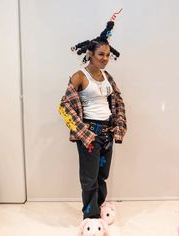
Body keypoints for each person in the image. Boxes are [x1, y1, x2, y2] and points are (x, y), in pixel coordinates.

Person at [58, 13, 127, 220]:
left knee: (102, 175)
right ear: (90, 53)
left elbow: (117, 101)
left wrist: (119, 126)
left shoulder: (107, 77)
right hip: (90, 133)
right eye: (100, 55)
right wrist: (83, 132)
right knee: (89, 179)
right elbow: (64, 107)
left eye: (107, 55)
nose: (105, 59)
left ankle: (99, 207)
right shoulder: (79, 76)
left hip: (107, 132)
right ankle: (91, 218)